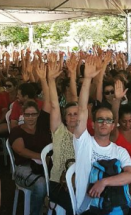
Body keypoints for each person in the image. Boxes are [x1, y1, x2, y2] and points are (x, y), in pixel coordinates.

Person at [74, 56, 131, 215]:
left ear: (113, 125)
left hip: (114, 208)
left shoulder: (119, 151)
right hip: (88, 208)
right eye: (99, 119)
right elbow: (81, 110)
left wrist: (104, 182)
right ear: (92, 124)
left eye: (108, 120)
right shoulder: (84, 142)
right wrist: (87, 79)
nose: (104, 123)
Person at [9, 62, 52, 215]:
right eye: (27, 114)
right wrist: (41, 158)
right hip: (23, 168)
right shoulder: (17, 131)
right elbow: (21, 150)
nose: (31, 118)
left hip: (45, 166)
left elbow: (48, 101)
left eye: (34, 114)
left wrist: (44, 79)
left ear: (38, 115)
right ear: (23, 115)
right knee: (41, 185)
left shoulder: (41, 126)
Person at [46, 55, 77, 215]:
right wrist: (51, 80)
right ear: (64, 117)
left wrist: (73, 75)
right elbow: (54, 105)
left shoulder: (85, 135)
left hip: (81, 181)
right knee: (71, 207)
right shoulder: (59, 132)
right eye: (69, 114)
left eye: (76, 114)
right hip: (58, 182)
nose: (72, 116)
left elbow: (75, 98)